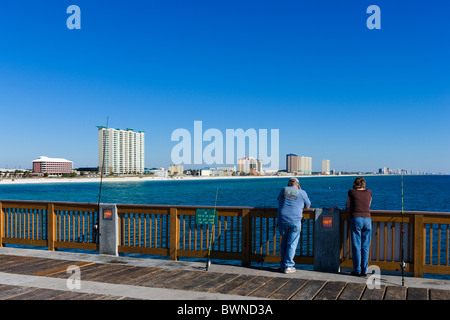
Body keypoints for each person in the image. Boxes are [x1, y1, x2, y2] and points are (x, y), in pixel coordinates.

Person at [277, 177, 311, 273]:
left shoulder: (283, 189)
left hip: (282, 220)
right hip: (295, 220)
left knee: (284, 242)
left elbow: (279, 199)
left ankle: (283, 264)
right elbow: (308, 206)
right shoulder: (302, 192)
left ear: (289, 184)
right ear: (298, 185)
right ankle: (288, 266)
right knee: (292, 244)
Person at [346, 176, 372, 277]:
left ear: (355, 184)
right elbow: (369, 205)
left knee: (356, 246)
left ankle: (357, 270)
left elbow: (348, 206)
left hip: (356, 218)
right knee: (365, 246)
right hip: (367, 219)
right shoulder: (369, 192)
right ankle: (364, 270)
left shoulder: (351, 192)